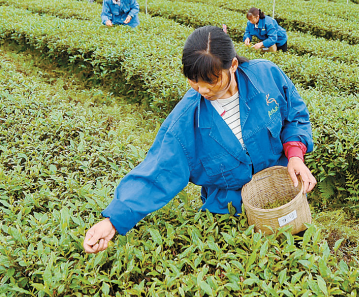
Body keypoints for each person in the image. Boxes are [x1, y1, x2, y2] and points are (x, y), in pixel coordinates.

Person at [83, 26, 315, 253]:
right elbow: (159, 171)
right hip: (229, 210)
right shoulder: (187, 119)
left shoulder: (266, 76)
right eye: (194, 81)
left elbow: (294, 116)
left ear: (233, 65)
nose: (202, 90)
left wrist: (295, 156)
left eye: (211, 81)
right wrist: (113, 221)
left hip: (283, 193)